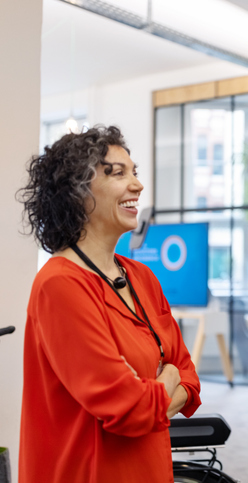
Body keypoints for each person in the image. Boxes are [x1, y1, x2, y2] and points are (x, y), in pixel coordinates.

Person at [18, 126, 202, 483]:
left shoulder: (142, 277)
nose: (137, 185)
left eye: (134, 172)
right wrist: (167, 376)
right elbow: (131, 409)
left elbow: (189, 377)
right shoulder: (60, 285)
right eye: (117, 173)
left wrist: (158, 383)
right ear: (77, 192)